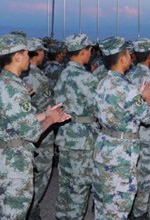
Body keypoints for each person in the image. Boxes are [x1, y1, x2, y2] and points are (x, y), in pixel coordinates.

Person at [0, 33, 69, 219]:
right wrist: (51, 120)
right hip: (14, 166)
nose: (29, 58)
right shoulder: (15, 88)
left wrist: (45, 114)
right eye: (26, 53)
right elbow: (31, 132)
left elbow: (12, 119)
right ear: (17, 56)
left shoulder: (3, 82)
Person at [92, 36, 150, 220]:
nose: (131, 57)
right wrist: (147, 98)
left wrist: (138, 95)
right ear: (122, 58)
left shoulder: (102, 82)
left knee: (103, 206)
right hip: (121, 154)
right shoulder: (126, 89)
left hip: (104, 146)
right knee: (118, 209)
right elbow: (147, 117)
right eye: (128, 53)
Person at [54, 34, 99, 220]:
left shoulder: (63, 73)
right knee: (80, 187)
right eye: (89, 51)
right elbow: (99, 107)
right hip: (83, 138)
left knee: (65, 184)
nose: (90, 54)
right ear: (82, 52)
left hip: (66, 133)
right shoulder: (86, 78)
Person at [126, 38, 150, 219]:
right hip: (147, 134)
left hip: (130, 133)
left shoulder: (127, 77)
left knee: (129, 173)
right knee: (145, 176)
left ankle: (129, 209)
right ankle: (140, 213)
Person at [23, 38, 56, 220]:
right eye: (43, 51)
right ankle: (31, 209)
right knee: (41, 173)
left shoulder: (18, 75)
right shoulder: (38, 78)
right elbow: (48, 105)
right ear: (37, 53)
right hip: (41, 131)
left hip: (23, 131)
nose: (45, 54)